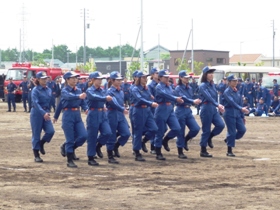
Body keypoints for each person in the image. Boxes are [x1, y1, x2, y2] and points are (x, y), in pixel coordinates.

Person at [53, 71, 88, 168]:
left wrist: (86, 108)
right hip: (68, 114)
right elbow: (67, 98)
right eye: (72, 78)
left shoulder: (78, 90)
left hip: (77, 114)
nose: (75, 80)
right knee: (70, 138)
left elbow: (82, 102)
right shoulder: (65, 90)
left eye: (76, 78)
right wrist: (56, 116)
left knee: (83, 136)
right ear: (67, 80)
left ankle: (68, 148)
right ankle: (69, 160)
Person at [165, 70, 201, 158]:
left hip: (188, 110)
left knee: (195, 128)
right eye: (185, 78)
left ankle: (185, 140)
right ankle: (179, 151)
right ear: (180, 78)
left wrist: (197, 100)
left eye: (188, 78)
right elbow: (183, 98)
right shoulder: (178, 88)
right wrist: (193, 101)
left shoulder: (189, 88)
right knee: (181, 131)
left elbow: (191, 97)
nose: (187, 79)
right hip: (180, 110)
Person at [154, 69, 184, 161]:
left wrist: (176, 99)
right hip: (161, 108)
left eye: (168, 77)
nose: (167, 79)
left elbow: (172, 95)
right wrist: (176, 99)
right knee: (160, 131)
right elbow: (166, 95)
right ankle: (158, 152)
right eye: (165, 77)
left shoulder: (169, 86)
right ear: (160, 78)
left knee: (177, 128)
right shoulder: (159, 87)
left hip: (169, 108)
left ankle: (165, 140)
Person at [86, 71, 113, 166]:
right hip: (93, 113)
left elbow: (105, 97)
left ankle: (98, 146)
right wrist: (105, 98)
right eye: (98, 79)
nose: (100, 81)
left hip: (102, 113)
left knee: (107, 132)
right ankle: (90, 157)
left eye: (101, 79)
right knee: (92, 136)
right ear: (92, 80)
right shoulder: (90, 90)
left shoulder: (102, 90)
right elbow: (94, 97)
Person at [131, 71, 158, 161]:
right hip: (138, 110)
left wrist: (151, 98)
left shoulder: (146, 88)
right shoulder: (135, 88)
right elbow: (139, 98)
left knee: (154, 128)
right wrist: (151, 103)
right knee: (138, 132)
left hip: (147, 110)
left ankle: (143, 141)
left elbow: (149, 96)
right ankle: (137, 152)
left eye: (146, 77)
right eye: (143, 77)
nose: (145, 79)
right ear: (138, 78)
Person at [198, 66, 225, 158]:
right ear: (205, 75)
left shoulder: (212, 85)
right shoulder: (203, 86)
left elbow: (214, 97)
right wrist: (217, 105)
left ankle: (210, 137)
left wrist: (218, 105)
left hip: (213, 108)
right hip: (206, 107)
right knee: (206, 129)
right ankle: (203, 150)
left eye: (212, 73)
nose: (211, 75)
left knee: (220, 125)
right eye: (210, 73)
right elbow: (208, 96)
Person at [106, 71, 131, 164]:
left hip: (120, 114)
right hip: (112, 114)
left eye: (120, 79)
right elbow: (113, 102)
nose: (120, 81)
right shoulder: (110, 91)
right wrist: (122, 108)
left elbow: (121, 102)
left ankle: (116, 146)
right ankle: (110, 155)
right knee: (111, 135)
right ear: (112, 80)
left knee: (126, 133)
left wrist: (123, 108)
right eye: (118, 80)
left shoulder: (120, 91)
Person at [30, 72, 55, 162]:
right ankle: (36, 154)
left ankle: (41, 143)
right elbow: (35, 103)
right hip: (37, 113)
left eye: (46, 78)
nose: (45, 80)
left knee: (51, 131)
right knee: (36, 134)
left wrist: (48, 112)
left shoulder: (48, 89)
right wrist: (43, 113)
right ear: (38, 80)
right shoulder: (35, 90)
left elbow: (50, 101)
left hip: (46, 112)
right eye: (43, 78)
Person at [223, 75, 249, 157]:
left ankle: (228, 139)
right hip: (229, 112)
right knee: (232, 132)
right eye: (233, 81)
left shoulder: (237, 91)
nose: (235, 82)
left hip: (237, 113)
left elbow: (240, 103)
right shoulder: (227, 92)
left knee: (242, 130)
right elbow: (231, 102)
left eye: (236, 81)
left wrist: (242, 116)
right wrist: (241, 108)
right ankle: (229, 150)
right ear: (229, 82)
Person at [147, 67, 159, 154]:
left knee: (161, 128)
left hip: (160, 108)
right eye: (156, 73)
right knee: (154, 127)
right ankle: (152, 146)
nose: (158, 75)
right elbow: (150, 97)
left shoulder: (161, 84)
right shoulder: (150, 85)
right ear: (152, 75)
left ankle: (156, 144)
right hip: (153, 108)